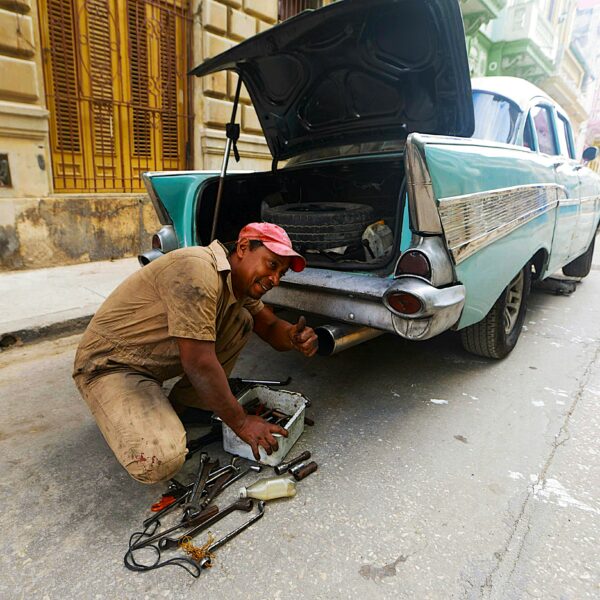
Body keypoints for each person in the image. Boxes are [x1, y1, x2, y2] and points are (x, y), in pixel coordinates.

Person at [72, 222, 318, 484]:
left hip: (150, 362)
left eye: (282, 273)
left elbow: (269, 327)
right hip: (111, 365)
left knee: (242, 320)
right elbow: (199, 363)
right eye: (272, 265)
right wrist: (242, 422)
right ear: (244, 247)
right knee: (160, 461)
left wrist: (292, 336)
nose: (275, 279)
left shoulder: (237, 283)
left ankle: (185, 406)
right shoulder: (197, 269)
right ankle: (120, 409)